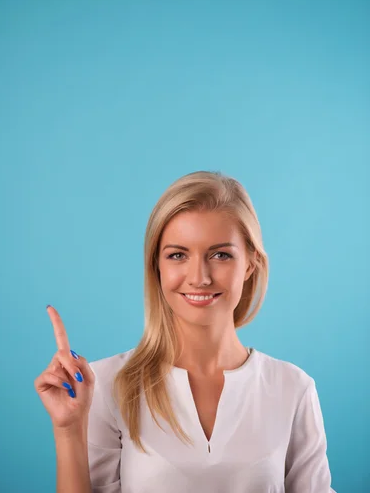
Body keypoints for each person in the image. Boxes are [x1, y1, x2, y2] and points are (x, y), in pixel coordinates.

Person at [35, 170, 336, 492]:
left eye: (220, 255)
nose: (199, 277)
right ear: (158, 266)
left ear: (250, 263)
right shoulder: (105, 384)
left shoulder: (293, 388)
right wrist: (68, 429)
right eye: (178, 255)